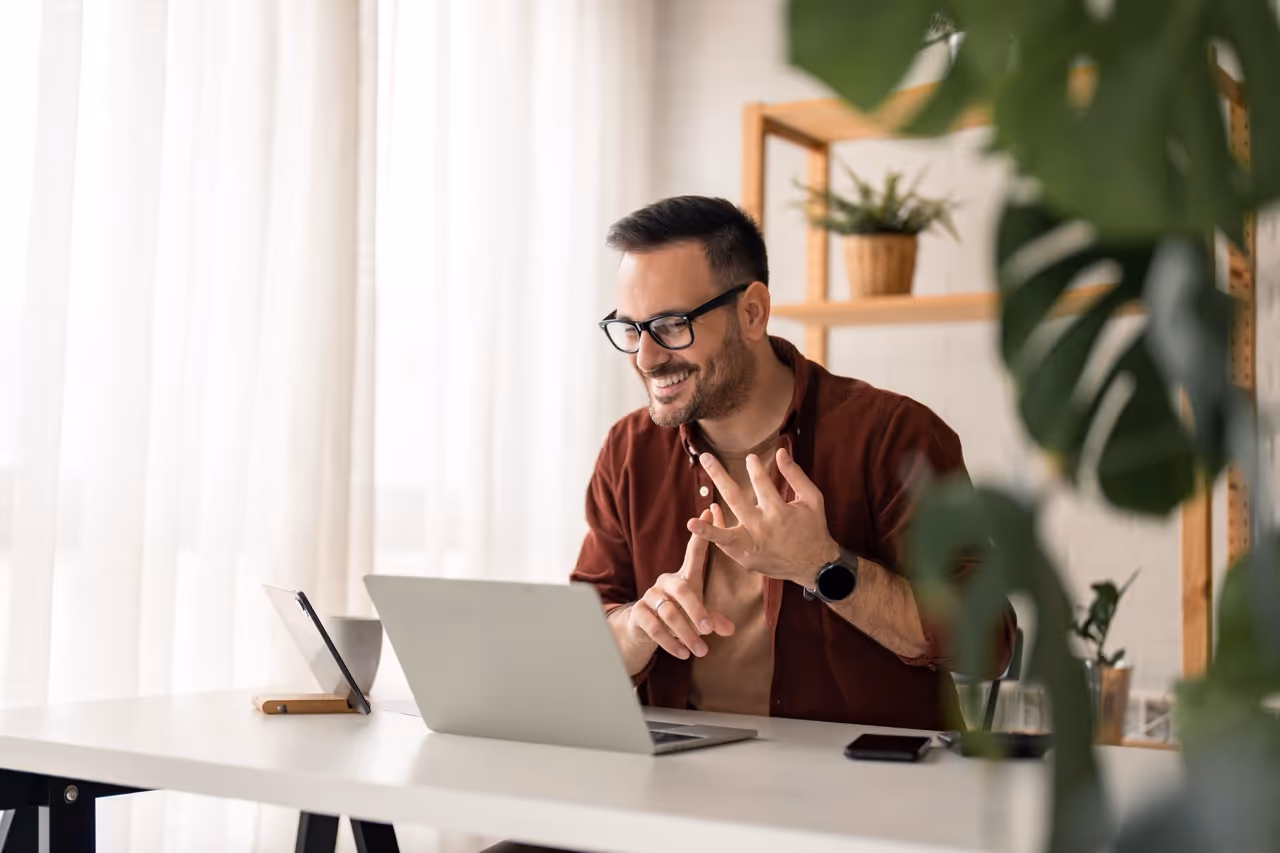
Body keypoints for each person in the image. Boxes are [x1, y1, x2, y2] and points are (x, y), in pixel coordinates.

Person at [570, 195, 1015, 730]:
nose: (645, 358)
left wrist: (824, 566)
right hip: (678, 791)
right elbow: (585, 633)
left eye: (669, 325)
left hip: (867, 798)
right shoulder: (628, 450)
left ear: (752, 312)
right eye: (631, 329)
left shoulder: (895, 436)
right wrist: (635, 629)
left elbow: (989, 642)